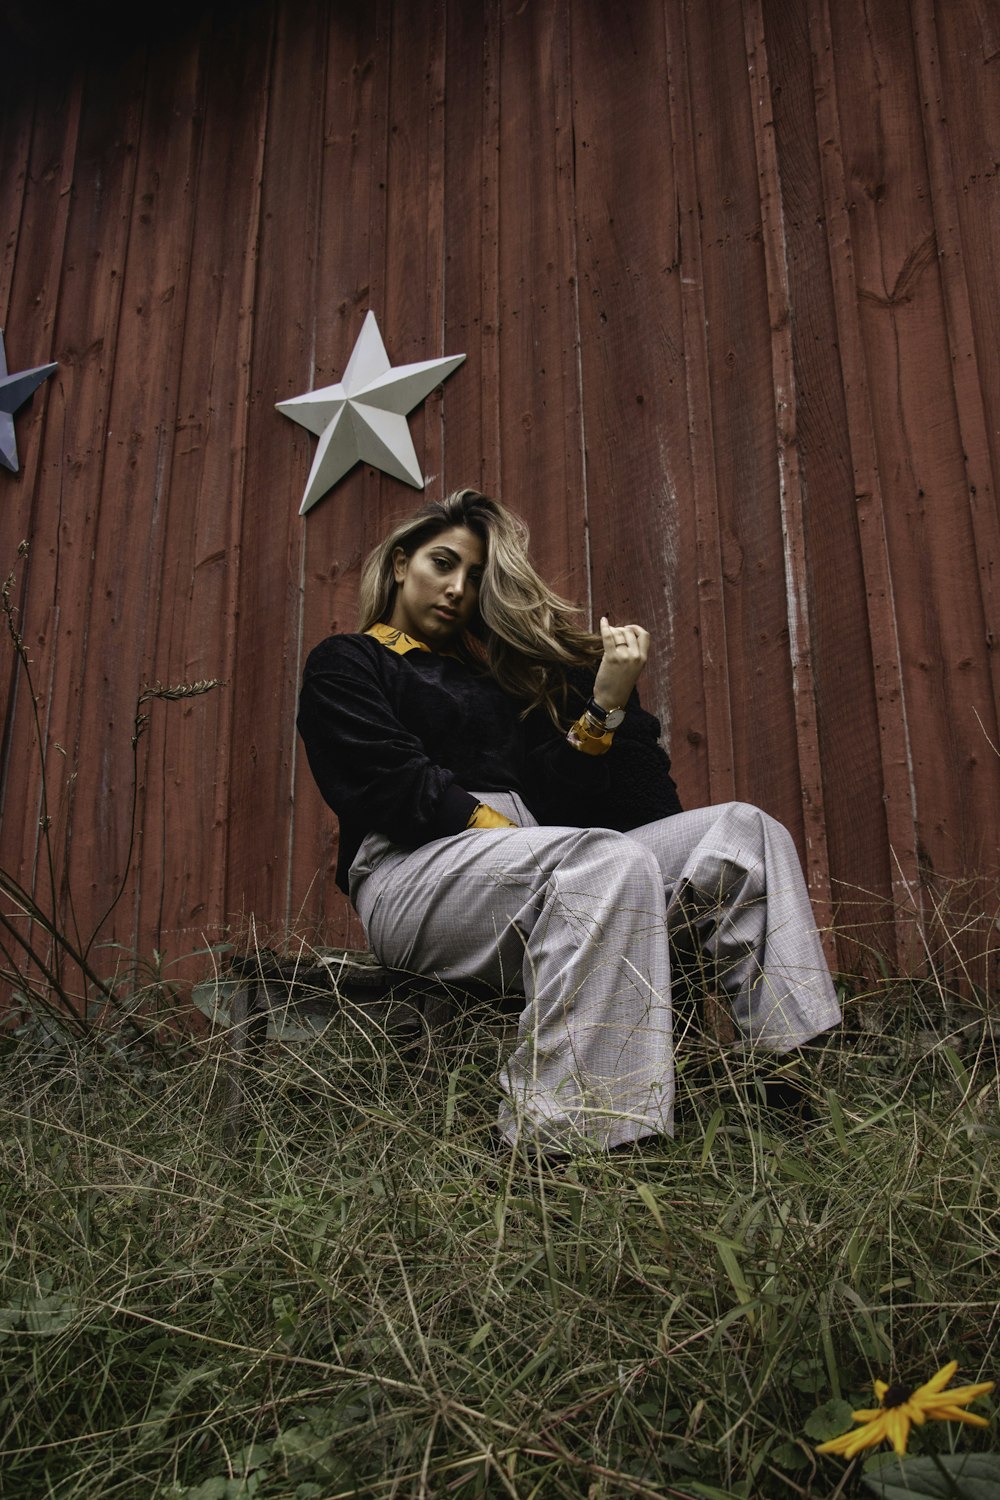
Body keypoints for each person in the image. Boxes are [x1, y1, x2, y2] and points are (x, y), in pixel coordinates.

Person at [297, 488, 841, 1156]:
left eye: (474, 579)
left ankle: (788, 1075)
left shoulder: (504, 681)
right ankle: (567, 1145)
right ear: (402, 561)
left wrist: (607, 699)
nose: (457, 589)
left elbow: (582, 804)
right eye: (443, 564)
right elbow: (390, 785)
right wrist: (515, 833)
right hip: (415, 867)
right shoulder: (349, 660)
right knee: (603, 861)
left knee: (743, 831)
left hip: (547, 859)